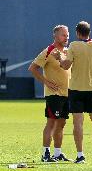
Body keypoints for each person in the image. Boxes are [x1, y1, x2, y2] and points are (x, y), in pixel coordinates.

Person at [54, 21, 92, 163]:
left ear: (77, 33)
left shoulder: (73, 45)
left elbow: (66, 66)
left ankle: (80, 155)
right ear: (89, 32)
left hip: (76, 89)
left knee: (78, 123)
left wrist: (60, 57)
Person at [28, 25, 71, 162]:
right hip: (54, 94)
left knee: (61, 123)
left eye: (67, 34)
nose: (66, 37)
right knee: (51, 123)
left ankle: (57, 153)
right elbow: (33, 68)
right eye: (63, 35)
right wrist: (46, 82)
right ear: (55, 36)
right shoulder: (49, 50)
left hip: (66, 93)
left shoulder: (67, 52)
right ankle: (45, 154)